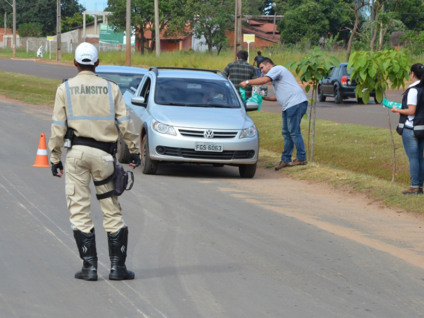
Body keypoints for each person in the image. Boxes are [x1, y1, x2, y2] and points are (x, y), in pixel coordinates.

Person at [48, 42, 141, 281]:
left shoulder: (65, 89)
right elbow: (126, 123)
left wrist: (54, 158)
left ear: (76, 63)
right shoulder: (111, 89)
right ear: (97, 63)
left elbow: (58, 127)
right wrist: (134, 151)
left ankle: (89, 267)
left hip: (77, 155)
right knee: (111, 210)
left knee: (79, 210)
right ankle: (117, 268)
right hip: (104, 157)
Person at [239, 57, 308, 170]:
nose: (262, 71)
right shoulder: (276, 78)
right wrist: (265, 98)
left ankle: (301, 158)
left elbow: (264, 80)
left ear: (269, 65)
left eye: (262, 67)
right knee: (286, 132)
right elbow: (278, 96)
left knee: (294, 132)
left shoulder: (277, 69)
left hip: (295, 103)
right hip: (288, 106)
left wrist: (247, 82)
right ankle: (286, 159)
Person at [392, 63, 424, 195]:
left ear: (412, 74)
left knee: (413, 158)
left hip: (411, 128)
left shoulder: (413, 90)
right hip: (421, 127)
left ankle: (415, 187)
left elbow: (411, 111)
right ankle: (419, 186)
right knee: (420, 157)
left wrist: (397, 109)